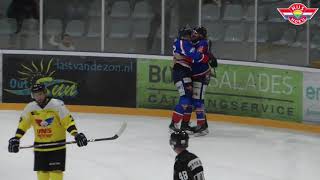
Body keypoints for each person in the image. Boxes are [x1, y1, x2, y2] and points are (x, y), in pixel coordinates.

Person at [8, 83, 88, 180]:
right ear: (32, 96)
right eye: (36, 95)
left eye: (40, 94)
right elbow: (23, 125)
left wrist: (76, 135)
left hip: (57, 146)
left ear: (45, 93)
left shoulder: (57, 105)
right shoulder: (30, 108)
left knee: (56, 174)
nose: (38, 97)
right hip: (40, 147)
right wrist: (16, 138)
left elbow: (67, 122)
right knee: (42, 175)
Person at [169, 27, 211, 133]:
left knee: (194, 100)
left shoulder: (199, 43)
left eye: (195, 33)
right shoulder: (184, 43)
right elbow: (195, 56)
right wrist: (206, 58)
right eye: (190, 34)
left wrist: (209, 56)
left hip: (196, 74)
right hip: (182, 72)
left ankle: (192, 125)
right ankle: (175, 124)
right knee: (188, 99)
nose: (192, 36)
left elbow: (195, 55)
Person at [184, 26, 218, 136]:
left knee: (198, 101)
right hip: (195, 75)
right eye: (193, 32)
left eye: (196, 33)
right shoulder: (193, 42)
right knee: (196, 101)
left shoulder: (203, 43)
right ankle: (203, 124)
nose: (193, 34)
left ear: (201, 35)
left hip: (202, 75)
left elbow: (196, 57)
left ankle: (202, 127)